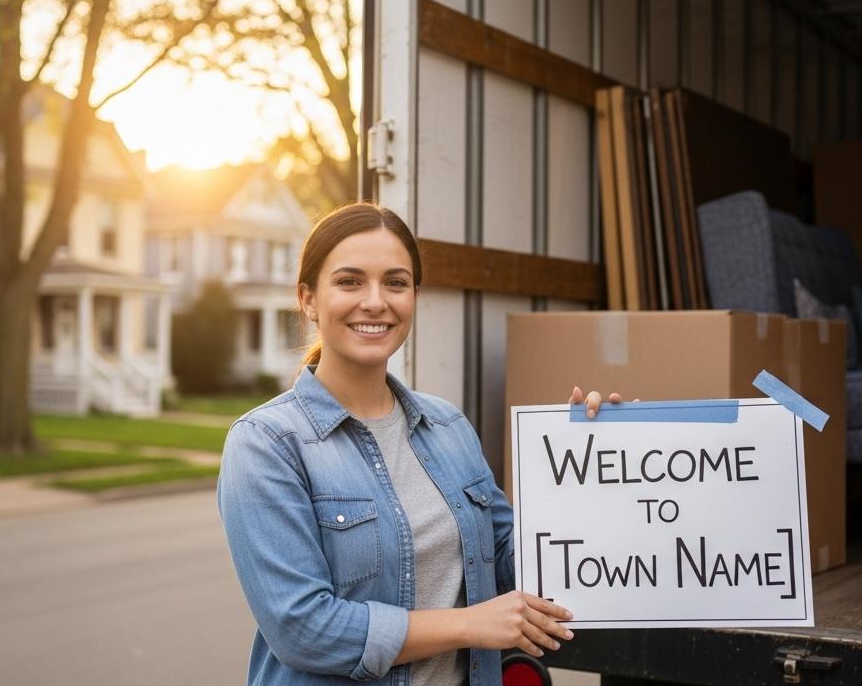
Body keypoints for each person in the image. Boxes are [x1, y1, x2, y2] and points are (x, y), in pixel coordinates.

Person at [217, 203, 619, 685]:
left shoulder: (448, 426)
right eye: (349, 282)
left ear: (414, 297)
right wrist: (469, 624)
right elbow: (303, 629)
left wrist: (595, 464)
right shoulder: (266, 444)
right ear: (308, 299)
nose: (375, 302)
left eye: (395, 282)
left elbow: (516, 568)